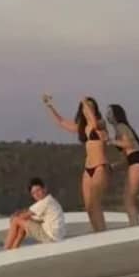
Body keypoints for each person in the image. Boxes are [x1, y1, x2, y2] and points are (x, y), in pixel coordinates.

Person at [41, 94, 109, 232]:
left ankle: (103, 232)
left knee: (95, 202)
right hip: (88, 168)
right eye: (85, 107)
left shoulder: (101, 123)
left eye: (91, 106)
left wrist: (84, 101)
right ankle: (97, 231)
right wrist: (49, 106)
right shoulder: (83, 128)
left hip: (100, 166)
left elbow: (95, 123)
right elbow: (61, 122)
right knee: (88, 205)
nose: (87, 108)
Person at [106, 104, 139, 226]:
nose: (107, 115)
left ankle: (134, 226)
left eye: (110, 113)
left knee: (129, 199)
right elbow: (128, 156)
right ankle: (134, 224)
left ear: (116, 115)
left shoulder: (121, 126)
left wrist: (110, 141)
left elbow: (128, 144)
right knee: (128, 198)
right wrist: (114, 166)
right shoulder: (119, 130)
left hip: (138, 160)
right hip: (136, 160)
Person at [4, 178, 66, 249]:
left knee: (16, 220)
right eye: (33, 193)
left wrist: (14, 216)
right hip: (57, 236)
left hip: (50, 237)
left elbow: (22, 216)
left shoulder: (45, 202)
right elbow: (31, 216)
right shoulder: (51, 200)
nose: (36, 194)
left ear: (44, 189)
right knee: (23, 224)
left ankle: (6, 247)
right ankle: (14, 248)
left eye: (38, 190)